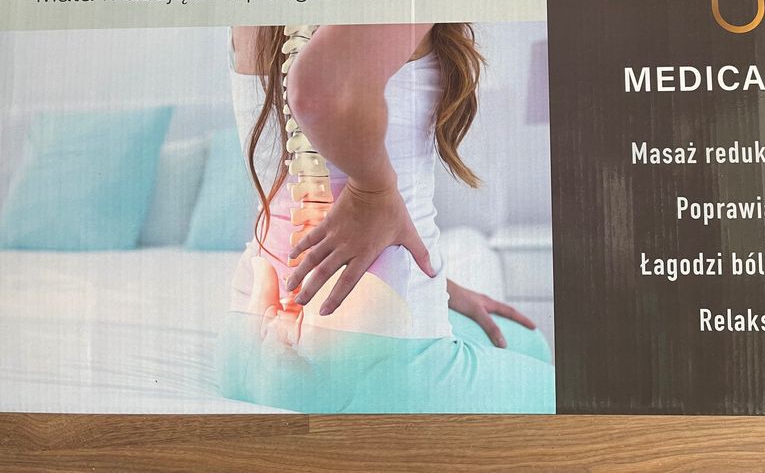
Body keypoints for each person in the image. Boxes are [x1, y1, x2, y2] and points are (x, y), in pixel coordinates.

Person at [217, 23, 555, 413]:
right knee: (588, 400)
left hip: (244, 351)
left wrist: (439, 285)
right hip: (373, 364)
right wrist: (372, 189)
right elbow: (321, 88)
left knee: (524, 341)